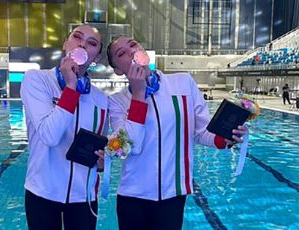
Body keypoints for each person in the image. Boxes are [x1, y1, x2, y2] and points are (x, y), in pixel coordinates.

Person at [106, 36, 248, 230]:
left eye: (133, 45)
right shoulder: (116, 102)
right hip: (133, 197)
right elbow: (126, 148)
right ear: (118, 70)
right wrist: (138, 95)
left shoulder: (183, 83)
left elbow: (201, 131)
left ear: (144, 52)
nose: (130, 52)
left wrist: (226, 137)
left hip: (173, 195)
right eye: (121, 53)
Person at [20, 24, 108, 230]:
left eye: (92, 43)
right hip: (42, 193)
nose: (82, 44)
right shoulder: (37, 81)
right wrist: (71, 87)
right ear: (65, 44)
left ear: (95, 58)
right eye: (77, 37)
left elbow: (100, 152)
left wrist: (103, 159)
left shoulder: (101, 100)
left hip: (83, 197)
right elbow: (49, 135)